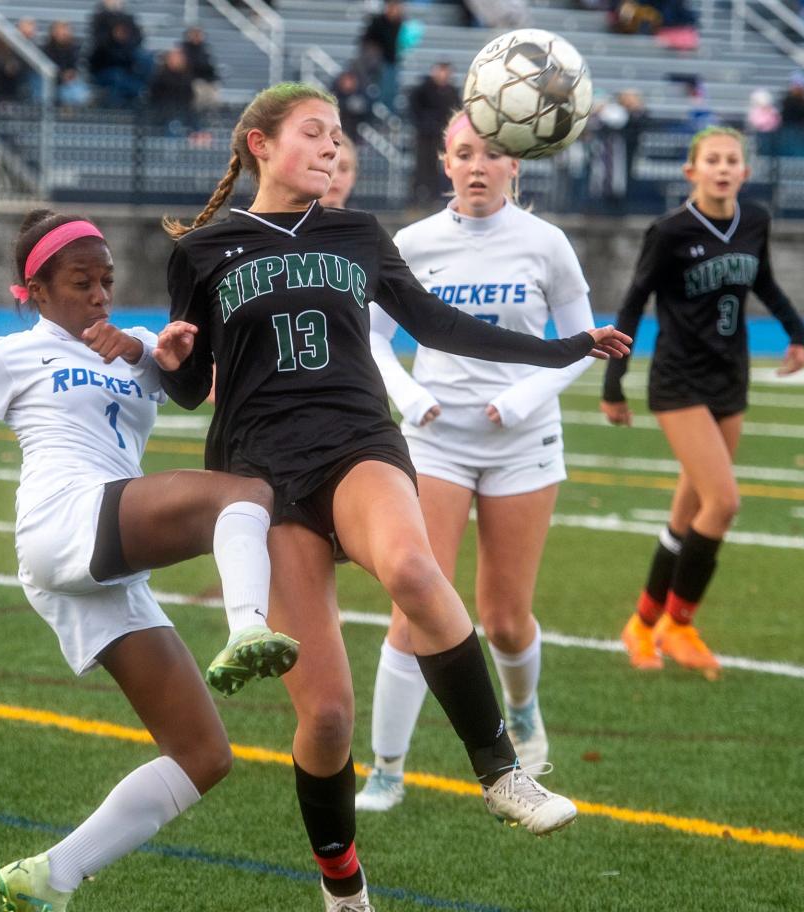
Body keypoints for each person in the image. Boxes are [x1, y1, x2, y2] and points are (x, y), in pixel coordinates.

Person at [159, 83, 631, 911]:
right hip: (259, 472)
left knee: (415, 570)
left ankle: (502, 774)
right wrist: (170, 360)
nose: (333, 148)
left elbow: (435, 323)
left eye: (338, 137)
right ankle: (342, 886)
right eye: (314, 133)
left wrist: (560, 351)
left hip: (354, 441)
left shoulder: (357, 233)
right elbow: (192, 386)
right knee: (329, 715)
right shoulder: (204, 249)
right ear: (260, 145)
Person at [0, 209, 298, 912]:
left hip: (105, 560)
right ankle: (245, 627)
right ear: (36, 290)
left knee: (203, 755)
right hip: (64, 524)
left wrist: (159, 353)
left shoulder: (129, 345)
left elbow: (194, 387)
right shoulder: (6, 355)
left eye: (107, 282)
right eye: (81, 282)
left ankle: (50, 876)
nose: (98, 295)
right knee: (242, 496)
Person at [356, 111, 597, 812]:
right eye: (464, 153)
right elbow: (372, 338)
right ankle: (386, 769)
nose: (478, 166)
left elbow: (584, 340)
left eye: (492, 154)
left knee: (503, 617)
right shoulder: (412, 242)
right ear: (444, 161)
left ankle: (521, 714)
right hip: (435, 443)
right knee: (413, 603)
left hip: (523, 444)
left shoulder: (545, 244)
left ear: (515, 163)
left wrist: (523, 397)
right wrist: (406, 392)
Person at [601, 127, 804, 678]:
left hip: (730, 379)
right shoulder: (669, 231)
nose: (722, 168)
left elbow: (762, 280)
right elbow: (632, 304)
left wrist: (798, 333)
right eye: (711, 160)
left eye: (732, 160)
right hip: (678, 383)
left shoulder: (756, 220)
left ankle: (643, 625)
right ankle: (680, 623)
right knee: (724, 503)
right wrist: (612, 382)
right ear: (691, 171)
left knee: (686, 514)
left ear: (744, 171)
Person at [408, 62, 461, 205]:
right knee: (421, 166)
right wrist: (423, 123)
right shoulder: (423, 89)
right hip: (424, 137)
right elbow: (413, 108)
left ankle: (435, 196)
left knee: (439, 167)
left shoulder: (451, 92)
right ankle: (416, 198)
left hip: (441, 136)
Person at [42, 20, 91, 107]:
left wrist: (71, 74)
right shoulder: (47, 49)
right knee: (66, 94)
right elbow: (48, 69)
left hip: (70, 83)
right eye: (62, 30)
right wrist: (61, 76)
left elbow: (75, 66)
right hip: (54, 84)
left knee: (80, 91)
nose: (64, 33)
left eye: (66, 29)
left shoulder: (73, 49)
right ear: (54, 32)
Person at [320, 134, 358, 209]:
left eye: (344, 169)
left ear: (354, 176)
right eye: (327, 167)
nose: (335, 177)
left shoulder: (361, 220)